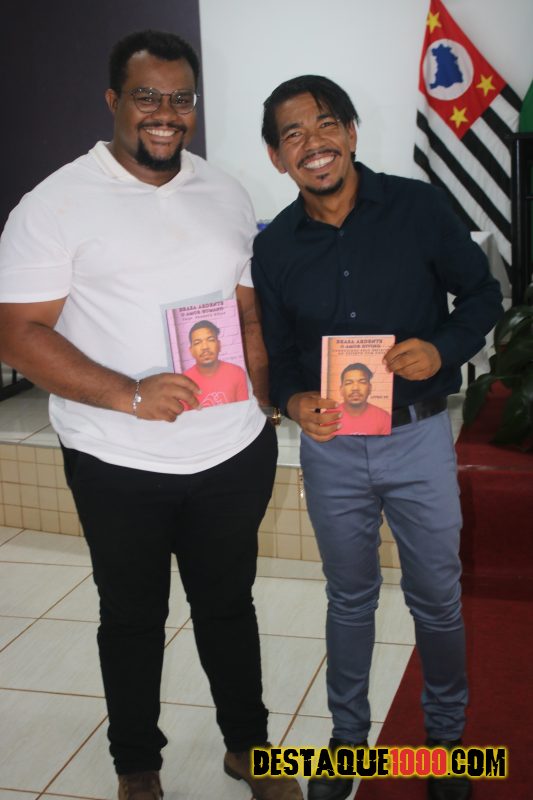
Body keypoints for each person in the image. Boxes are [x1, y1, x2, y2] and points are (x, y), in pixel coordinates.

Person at [0, 31, 302, 800]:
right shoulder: (54, 203)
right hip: (117, 458)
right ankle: (137, 765)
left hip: (229, 451)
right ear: (113, 101)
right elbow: (18, 333)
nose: (166, 113)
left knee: (228, 607)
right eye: (146, 96)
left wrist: (263, 401)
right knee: (132, 617)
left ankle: (249, 749)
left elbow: (246, 313)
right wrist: (128, 394)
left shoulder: (225, 191)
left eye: (180, 98)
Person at [252, 74, 503, 800]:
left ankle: (446, 743)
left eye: (325, 123)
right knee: (349, 598)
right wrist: (294, 399)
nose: (312, 143)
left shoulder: (417, 207)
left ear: (352, 132)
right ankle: (347, 742)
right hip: (332, 449)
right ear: (277, 157)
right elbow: (280, 357)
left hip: (417, 438)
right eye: (292, 134)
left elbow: (483, 292)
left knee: (437, 598)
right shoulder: (275, 247)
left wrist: (442, 347)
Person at [184, 319, 248, 406]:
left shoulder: (237, 373)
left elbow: (244, 410)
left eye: (210, 340)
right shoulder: (184, 381)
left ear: (219, 345)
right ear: (191, 351)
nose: (205, 347)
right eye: (197, 343)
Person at [336, 362, 391, 435]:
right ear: (341, 390)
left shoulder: (384, 418)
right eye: (349, 383)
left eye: (362, 382)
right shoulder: (328, 417)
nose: (355, 388)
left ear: (370, 388)